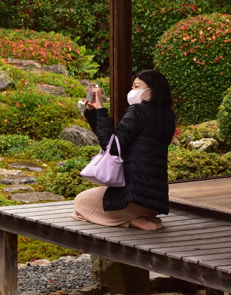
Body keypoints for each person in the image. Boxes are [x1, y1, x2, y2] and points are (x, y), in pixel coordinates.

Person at [72, 69, 176, 230]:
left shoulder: (138, 111)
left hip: (132, 198)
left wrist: (100, 109)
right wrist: (94, 113)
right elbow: (113, 141)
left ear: (152, 91)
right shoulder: (166, 116)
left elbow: (111, 147)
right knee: (98, 197)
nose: (132, 91)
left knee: (80, 202)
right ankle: (143, 217)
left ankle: (130, 220)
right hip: (153, 202)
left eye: (136, 86)